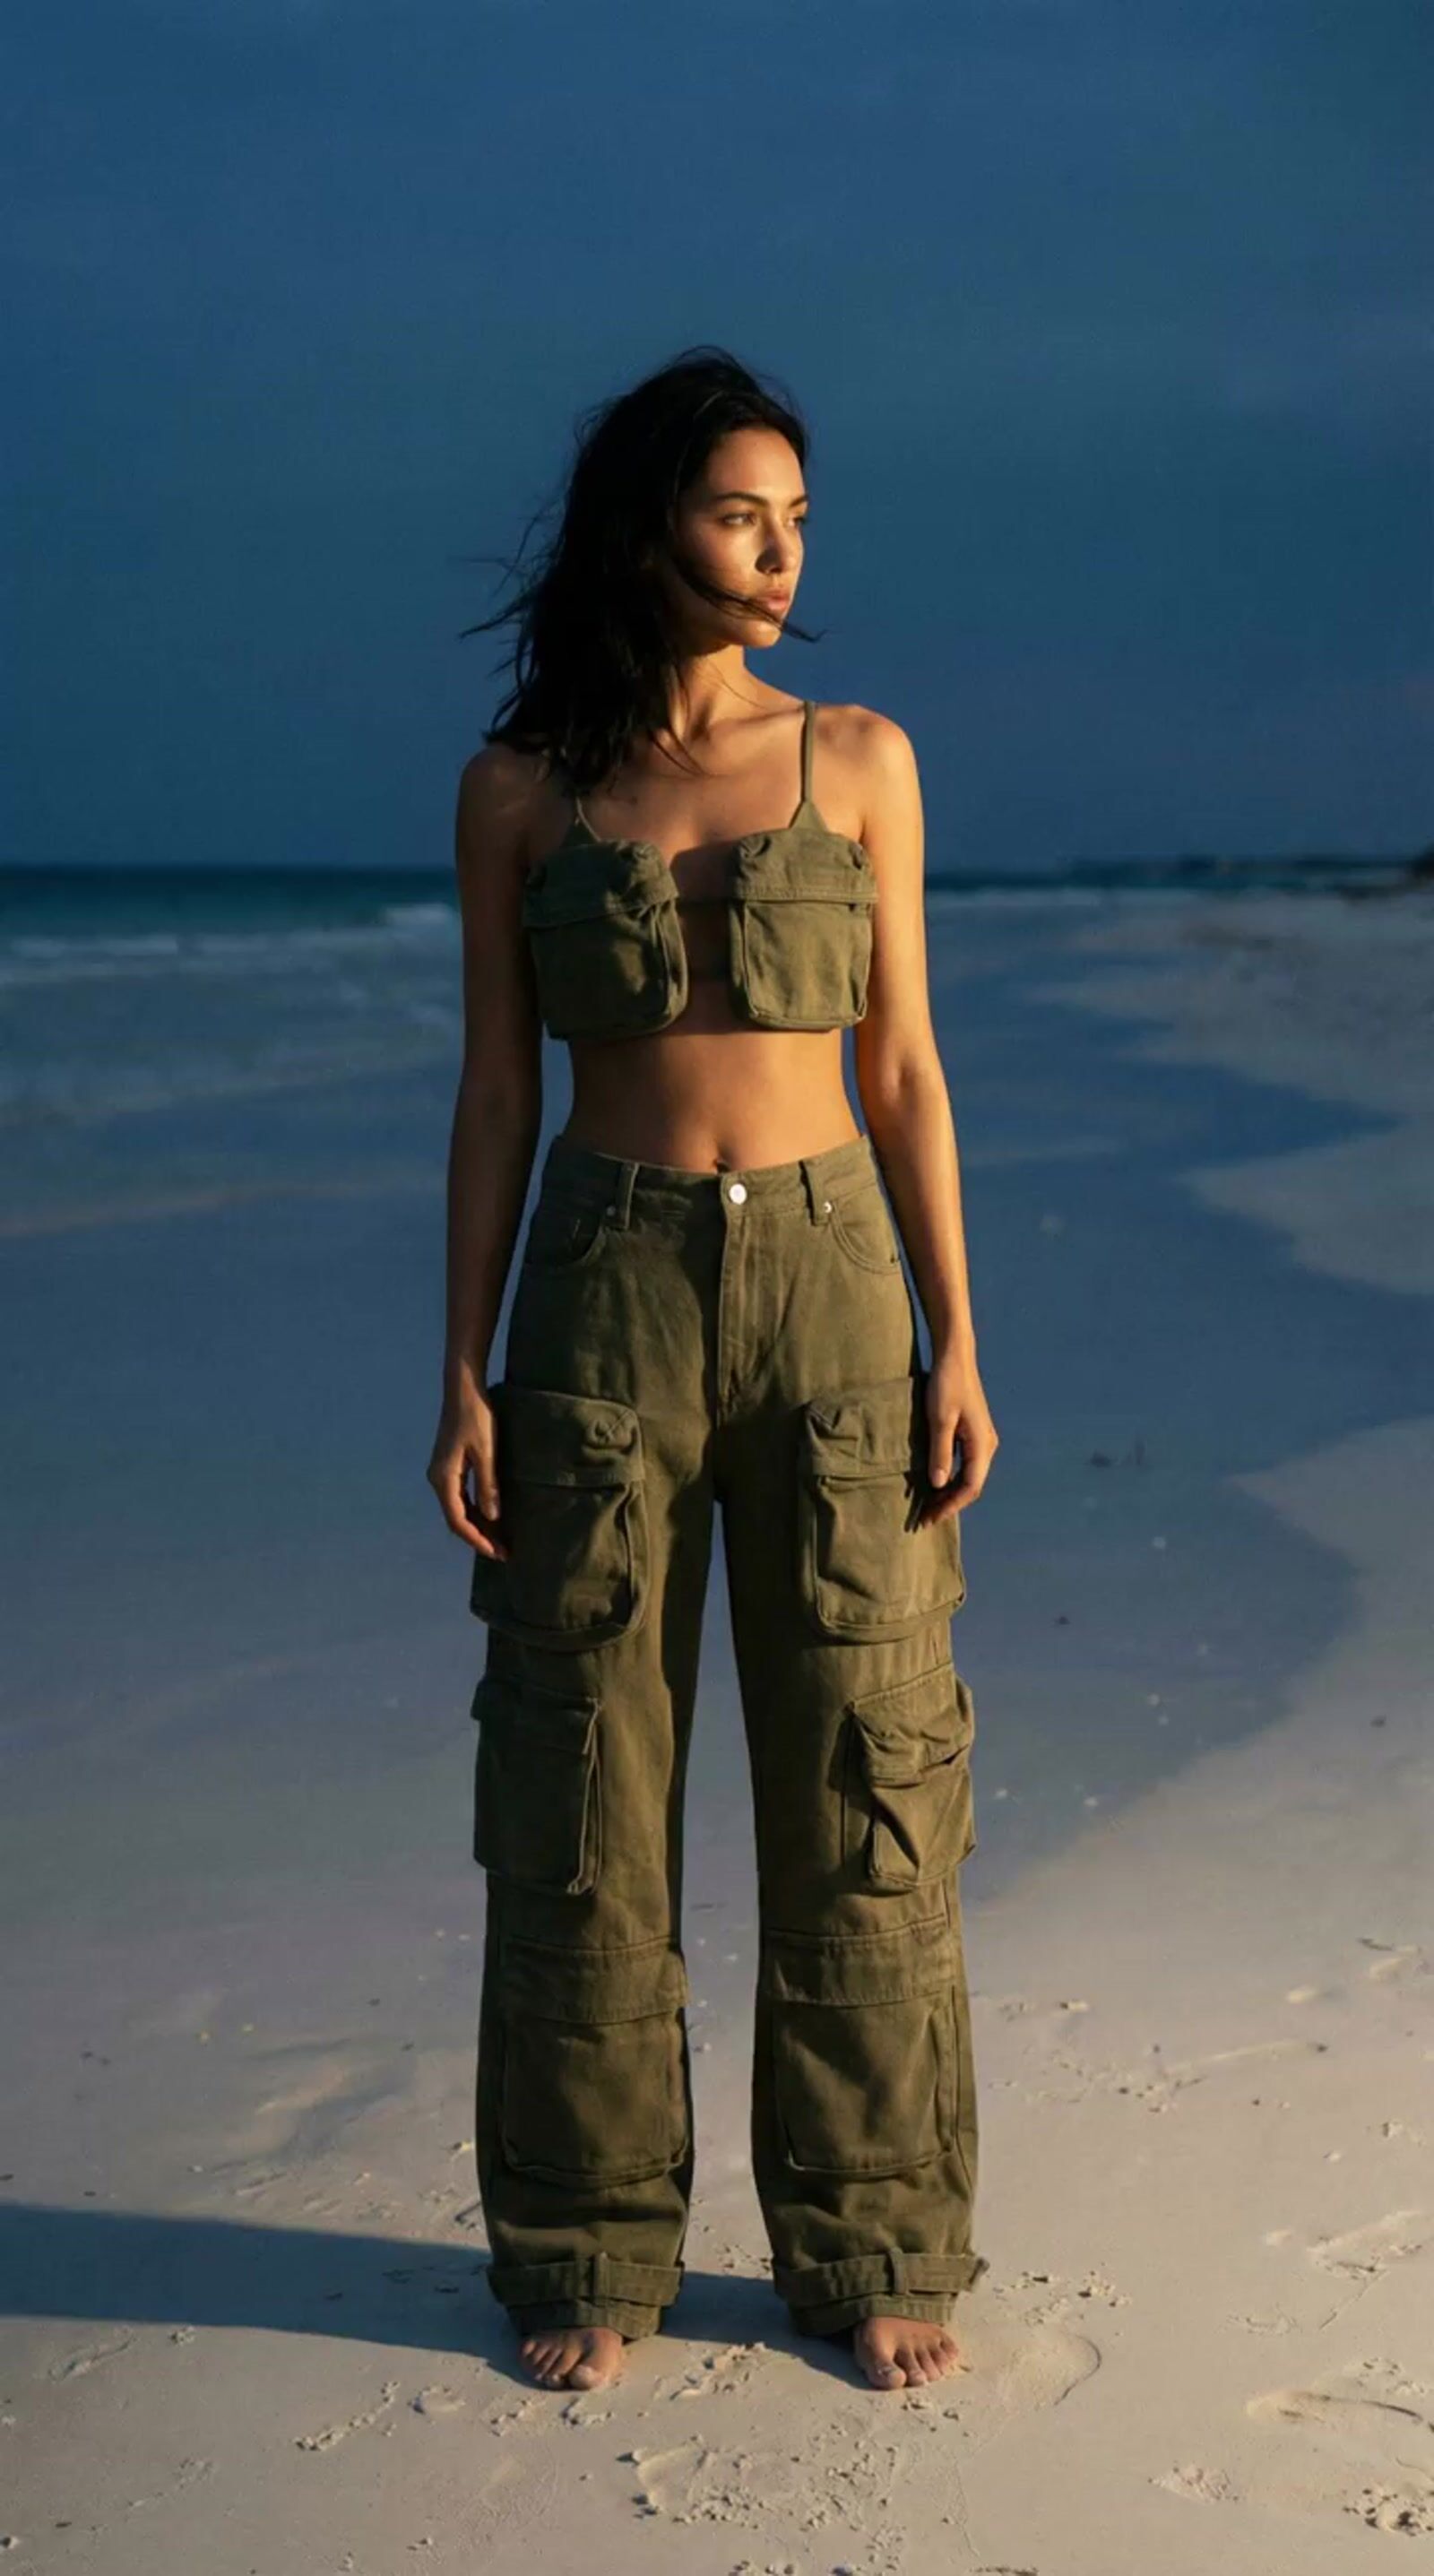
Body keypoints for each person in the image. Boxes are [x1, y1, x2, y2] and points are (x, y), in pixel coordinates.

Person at [428, 345, 998, 2397]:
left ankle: (870, 2240)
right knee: (580, 1780)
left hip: (833, 1292)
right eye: (738, 512)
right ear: (644, 524)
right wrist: (462, 1367)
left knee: (863, 1774)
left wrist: (955, 1335)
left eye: (795, 520)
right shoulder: (522, 789)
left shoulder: (857, 758)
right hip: (600, 1295)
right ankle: (584, 2240)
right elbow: (498, 1091)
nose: (777, 552)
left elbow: (902, 1067)